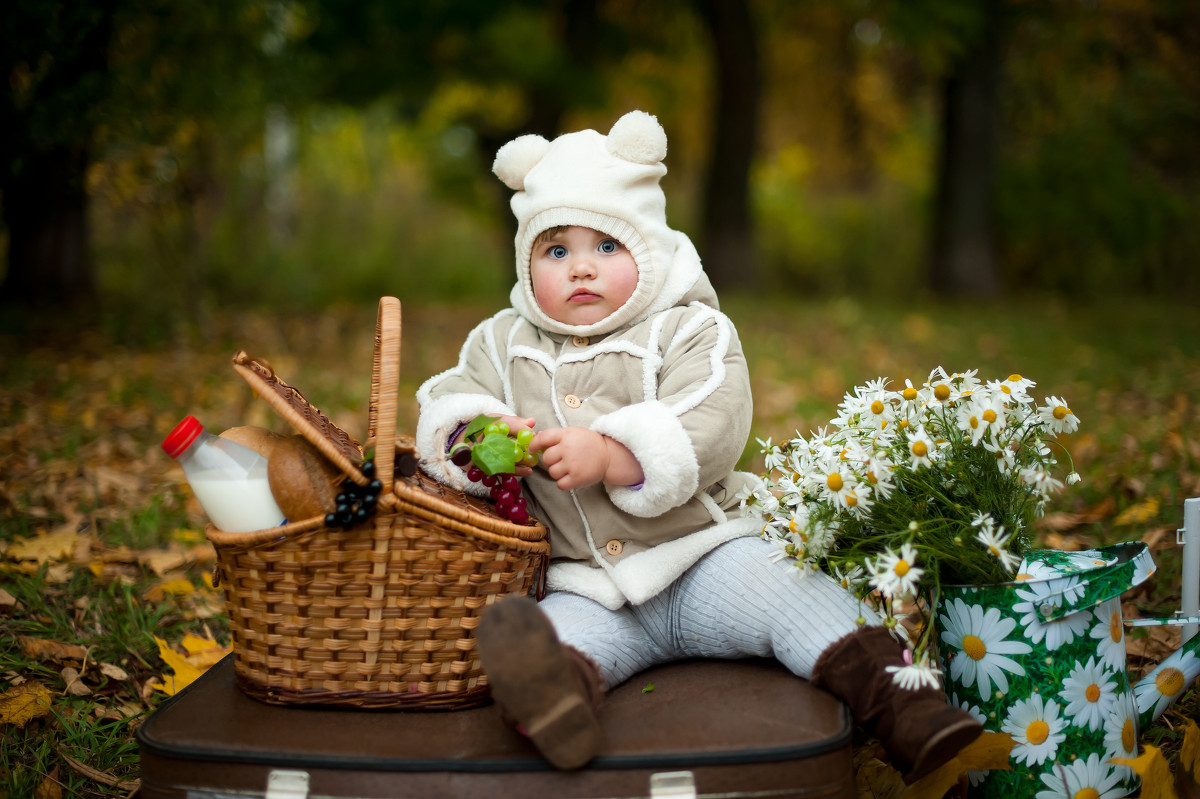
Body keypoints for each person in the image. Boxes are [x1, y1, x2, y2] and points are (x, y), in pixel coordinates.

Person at [415, 110, 981, 782]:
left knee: (793, 594)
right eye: (556, 250)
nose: (581, 270)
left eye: (606, 246)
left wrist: (612, 454)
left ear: (647, 247)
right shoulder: (500, 341)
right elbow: (447, 399)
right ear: (525, 259)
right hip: (584, 585)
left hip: (703, 557)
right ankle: (553, 701)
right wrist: (477, 439)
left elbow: (714, 413)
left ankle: (907, 707)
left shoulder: (688, 327)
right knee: (554, 643)